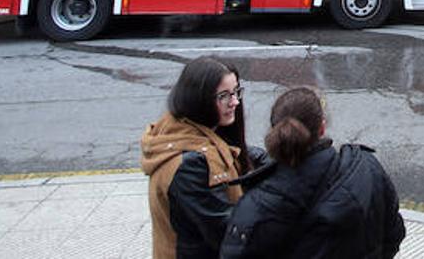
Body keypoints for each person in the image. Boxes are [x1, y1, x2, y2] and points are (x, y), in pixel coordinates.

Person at [220, 87, 405, 258]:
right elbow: (394, 234)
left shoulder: (258, 205)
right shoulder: (366, 169)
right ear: (322, 128)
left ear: (274, 132)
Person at [142, 57, 258, 259]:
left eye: (236, 92)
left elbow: (245, 154)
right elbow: (225, 231)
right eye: (224, 96)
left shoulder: (188, 128)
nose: (235, 102)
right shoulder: (191, 165)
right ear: (199, 98)